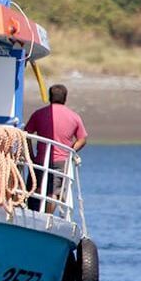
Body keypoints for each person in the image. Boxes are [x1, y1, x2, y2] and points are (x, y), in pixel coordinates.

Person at [23, 84, 88, 212]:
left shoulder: (39, 114)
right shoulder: (74, 116)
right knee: (54, 192)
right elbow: (82, 139)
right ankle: (48, 216)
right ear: (65, 98)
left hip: (40, 159)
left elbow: (26, 134)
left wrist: (31, 156)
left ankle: (33, 213)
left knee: (36, 188)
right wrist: (71, 151)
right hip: (61, 161)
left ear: (49, 97)